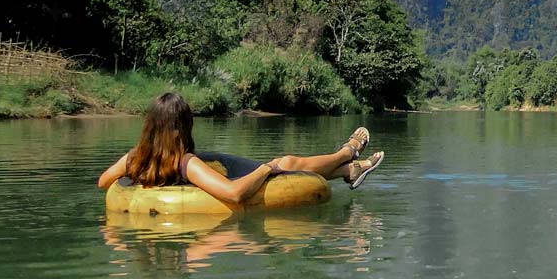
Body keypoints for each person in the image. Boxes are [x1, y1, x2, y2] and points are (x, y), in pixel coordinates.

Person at [97, 92, 384, 202]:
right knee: (286, 163)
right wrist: (265, 169)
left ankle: (349, 169)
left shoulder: (134, 158)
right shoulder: (186, 163)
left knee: (287, 163)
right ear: (184, 126)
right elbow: (234, 194)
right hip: (240, 189)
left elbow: (103, 183)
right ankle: (347, 154)